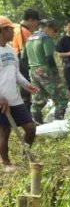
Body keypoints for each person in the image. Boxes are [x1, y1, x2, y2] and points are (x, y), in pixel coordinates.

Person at [0, 16, 38, 172]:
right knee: (4, 132)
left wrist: (27, 84)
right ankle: (6, 163)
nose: (14, 32)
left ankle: (25, 155)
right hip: (1, 101)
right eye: (11, 29)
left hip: (14, 98)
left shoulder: (10, 50)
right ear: (3, 30)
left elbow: (15, 73)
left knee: (30, 128)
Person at [22, 19, 68, 122]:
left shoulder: (29, 38)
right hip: (46, 70)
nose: (54, 33)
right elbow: (49, 58)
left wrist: (31, 69)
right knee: (61, 98)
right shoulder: (46, 38)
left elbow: (23, 58)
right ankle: (58, 124)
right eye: (54, 30)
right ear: (48, 28)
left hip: (33, 71)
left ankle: (37, 123)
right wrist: (56, 74)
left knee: (38, 99)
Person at [11, 9, 40, 112]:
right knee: (26, 89)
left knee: (23, 88)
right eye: (36, 22)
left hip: (15, 59)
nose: (36, 25)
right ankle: (27, 114)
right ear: (31, 20)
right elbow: (25, 50)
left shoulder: (15, 28)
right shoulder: (24, 31)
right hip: (22, 60)